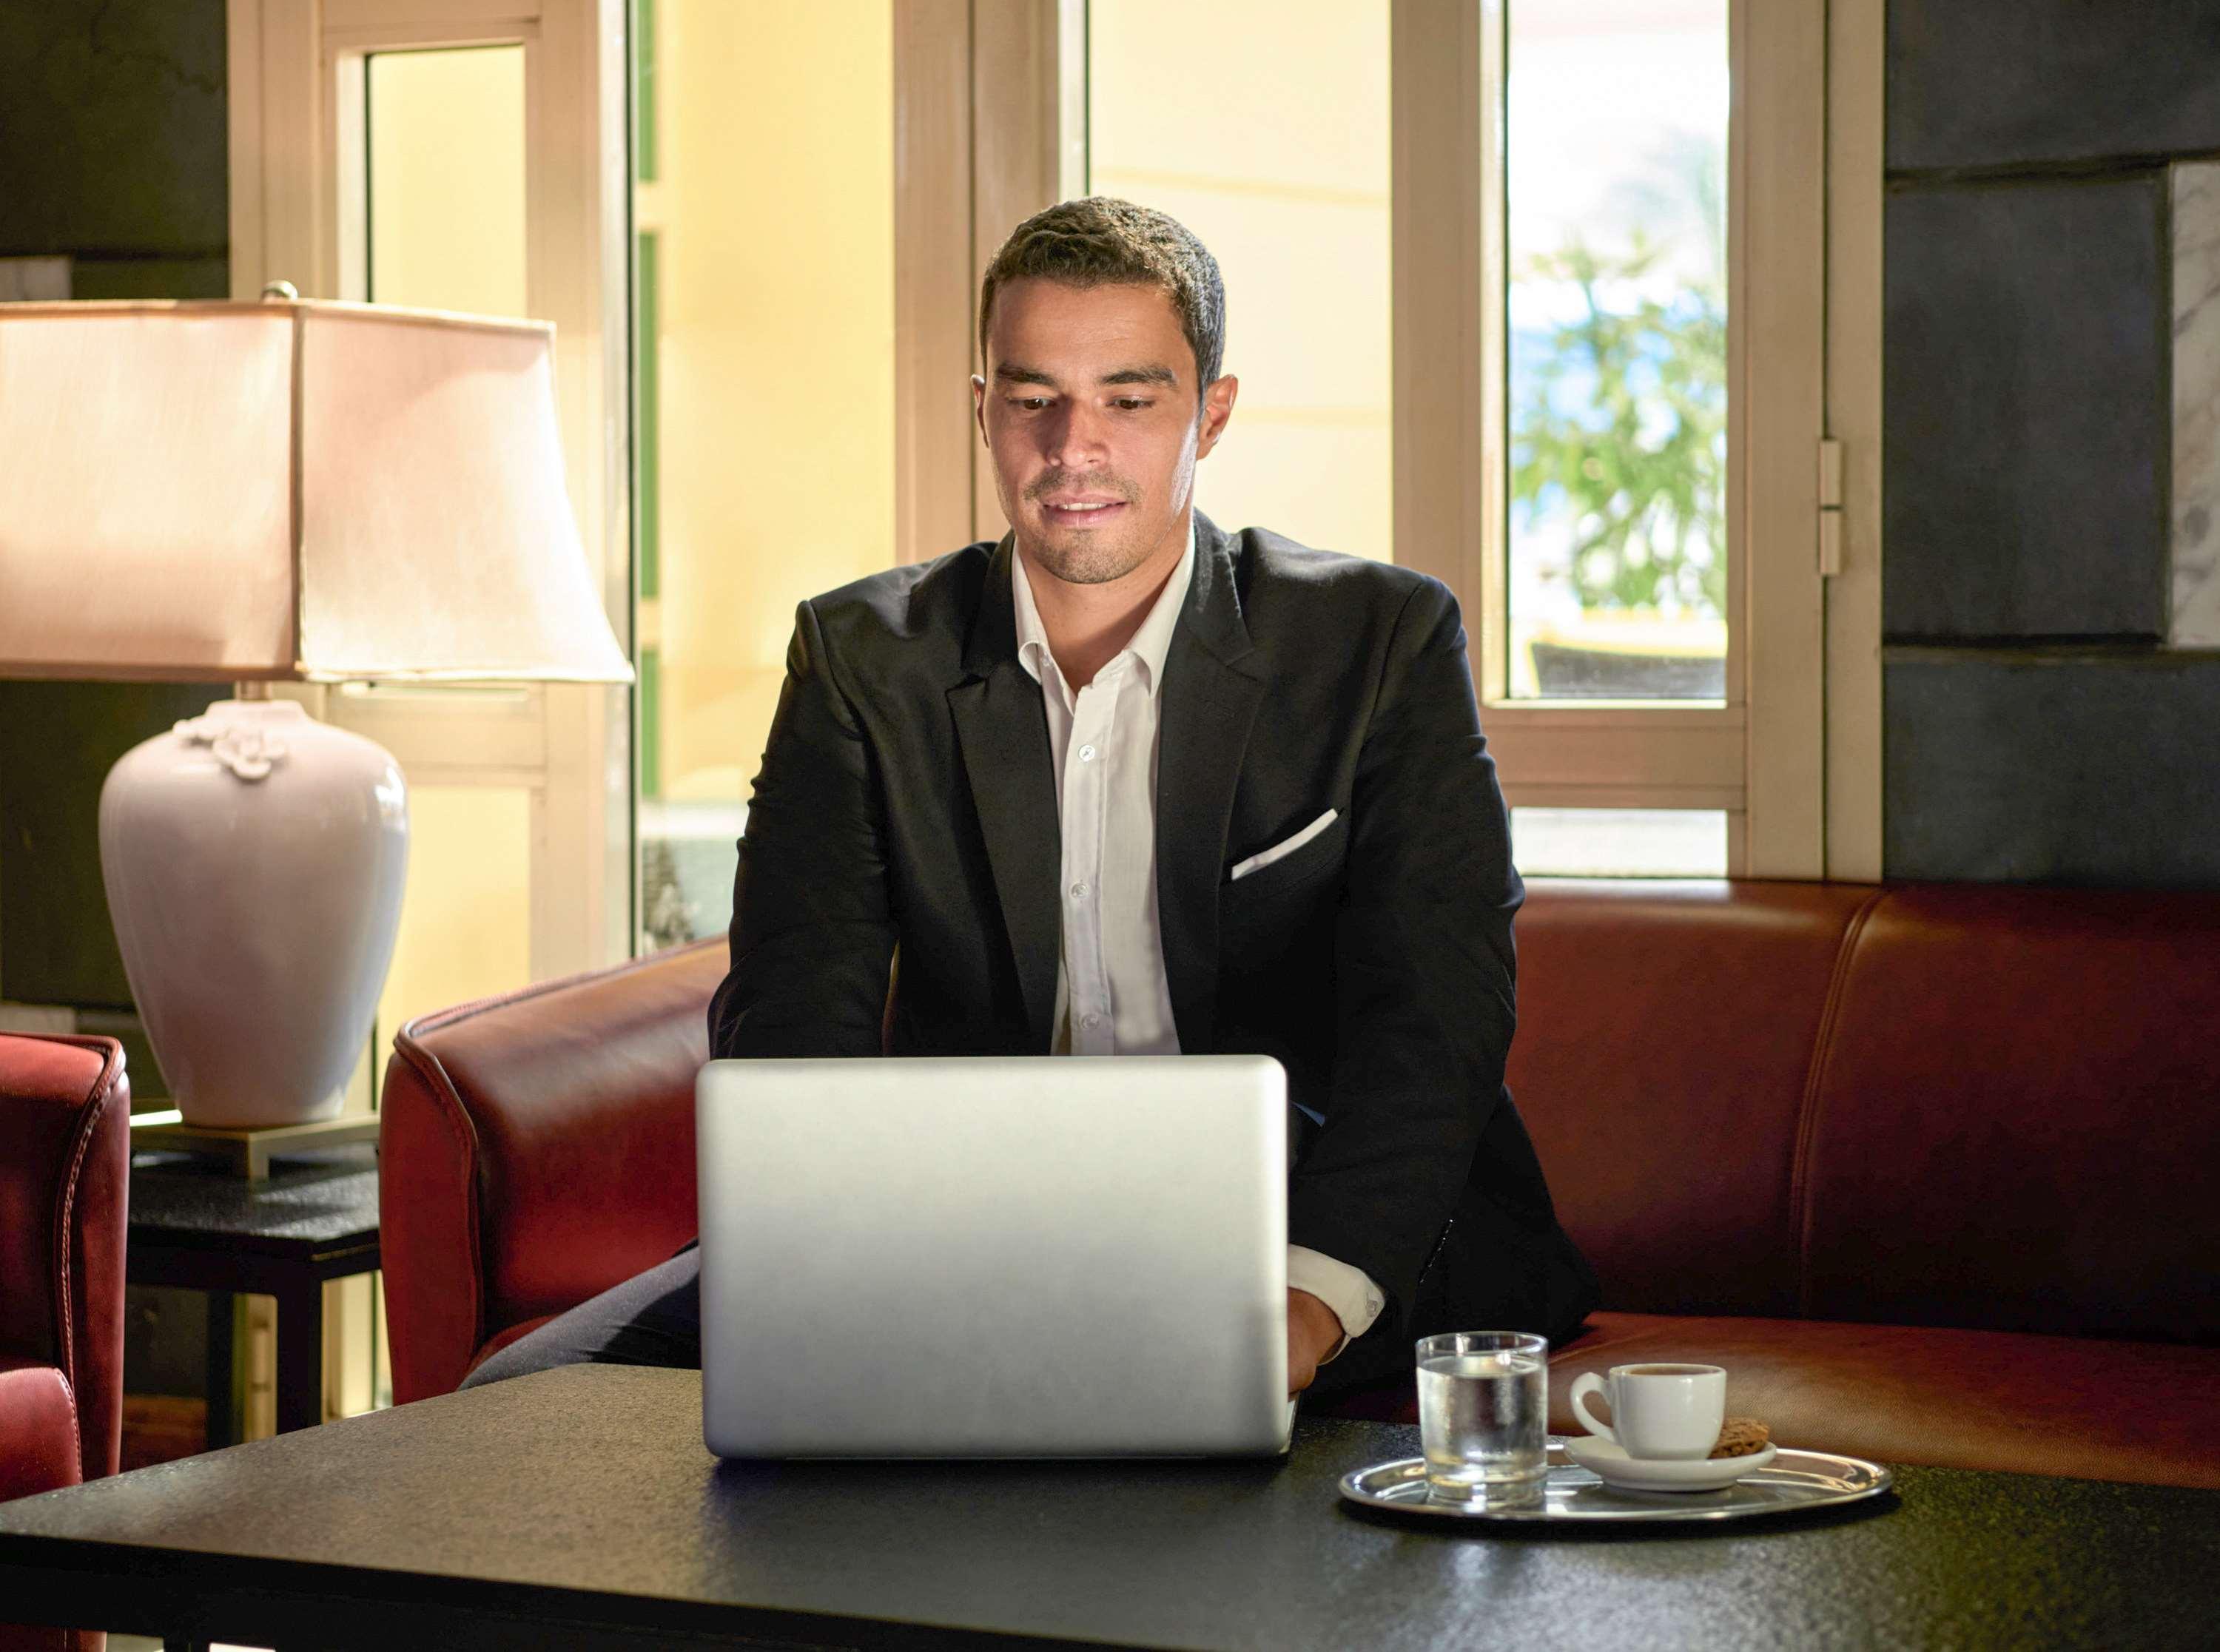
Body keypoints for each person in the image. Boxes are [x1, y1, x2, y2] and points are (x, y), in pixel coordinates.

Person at [466, 196, 1598, 1404]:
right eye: (1031, 398)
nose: (1073, 447)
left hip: (1310, 1233)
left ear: (1211, 413)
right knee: (530, 1406)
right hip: (967, 1232)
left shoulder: (1376, 643)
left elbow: (1437, 1018)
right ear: (983, 410)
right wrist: (834, 1273)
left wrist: (1305, 1302)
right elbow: (795, 1014)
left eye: (1129, 396)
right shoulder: (863, 659)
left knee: (1234, 1478)